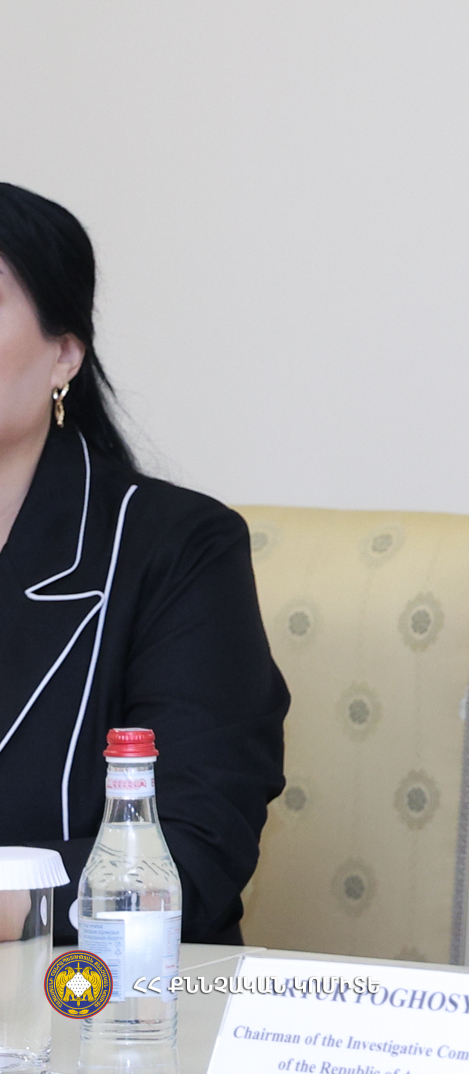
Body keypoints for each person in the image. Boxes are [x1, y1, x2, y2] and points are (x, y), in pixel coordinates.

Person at [0, 183, 288, 945]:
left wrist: (10, 907)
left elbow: (193, 853)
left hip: (93, 1000)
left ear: (65, 354)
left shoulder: (180, 548)